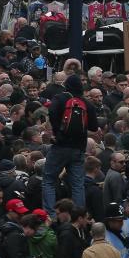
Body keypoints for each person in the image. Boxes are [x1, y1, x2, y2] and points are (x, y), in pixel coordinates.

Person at [44, 74, 97, 215]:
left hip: (60, 146)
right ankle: (79, 214)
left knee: (49, 179)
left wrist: (57, 132)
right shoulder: (86, 103)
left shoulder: (59, 98)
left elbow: (52, 112)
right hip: (79, 148)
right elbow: (94, 127)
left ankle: (51, 214)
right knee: (78, 184)